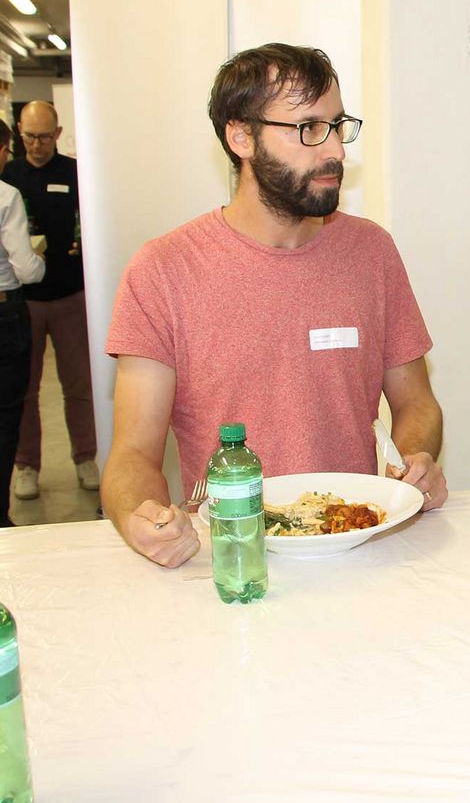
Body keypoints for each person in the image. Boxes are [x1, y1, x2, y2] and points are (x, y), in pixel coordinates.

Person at [100, 43, 448, 568]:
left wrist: (416, 458)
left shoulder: (371, 252)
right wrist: (140, 519)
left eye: (337, 125)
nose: (334, 151)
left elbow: (416, 402)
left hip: (357, 539)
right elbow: (132, 454)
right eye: (307, 129)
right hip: (239, 554)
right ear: (241, 137)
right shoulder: (163, 270)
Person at [4, 101, 99, 500]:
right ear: (19, 134)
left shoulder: (75, 173)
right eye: (29, 136)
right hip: (23, 300)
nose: (37, 144)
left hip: (69, 295)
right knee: (22, 388)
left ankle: (85, 457)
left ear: (58, 134)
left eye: (44, 136)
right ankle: (26, 465)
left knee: (78, 383)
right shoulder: (9, 176)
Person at [0, 120, 46, 527]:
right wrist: (42, 260)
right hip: (5, 311)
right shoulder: (6, 194)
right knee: (7, 411)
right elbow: (25, 268)